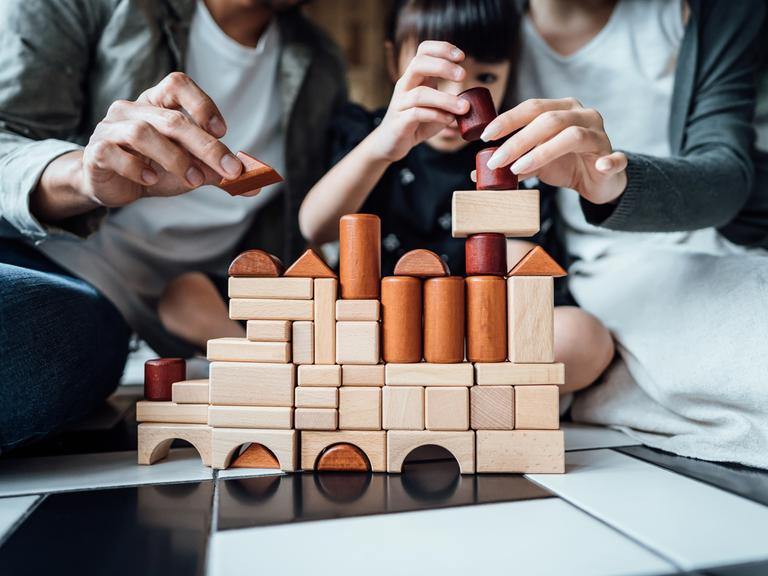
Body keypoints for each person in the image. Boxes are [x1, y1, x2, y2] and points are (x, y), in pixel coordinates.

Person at [0, 0, 346, 452]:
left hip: (184, 306)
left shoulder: (320, 61)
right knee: (50, 330)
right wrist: (85, 176)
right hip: (41, 262)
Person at [477, 0, 768, 468]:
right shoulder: (478, 24)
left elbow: (729, 174)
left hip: (724, 238)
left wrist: (616, 184)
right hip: (608, 268)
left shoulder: (713, 12)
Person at [299, 0, 615, 395]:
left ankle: (453, 386)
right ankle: (447, 387)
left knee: (585, 337)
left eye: (485, 76)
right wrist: (382, 146)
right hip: (386, 319)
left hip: (482, 326)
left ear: (510, 72)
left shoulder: (516, 150)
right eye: (437, 79)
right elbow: (314, 225)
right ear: (395, 62)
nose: (459, 100)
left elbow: (525, 257)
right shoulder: (367, 133)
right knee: (320, 328)